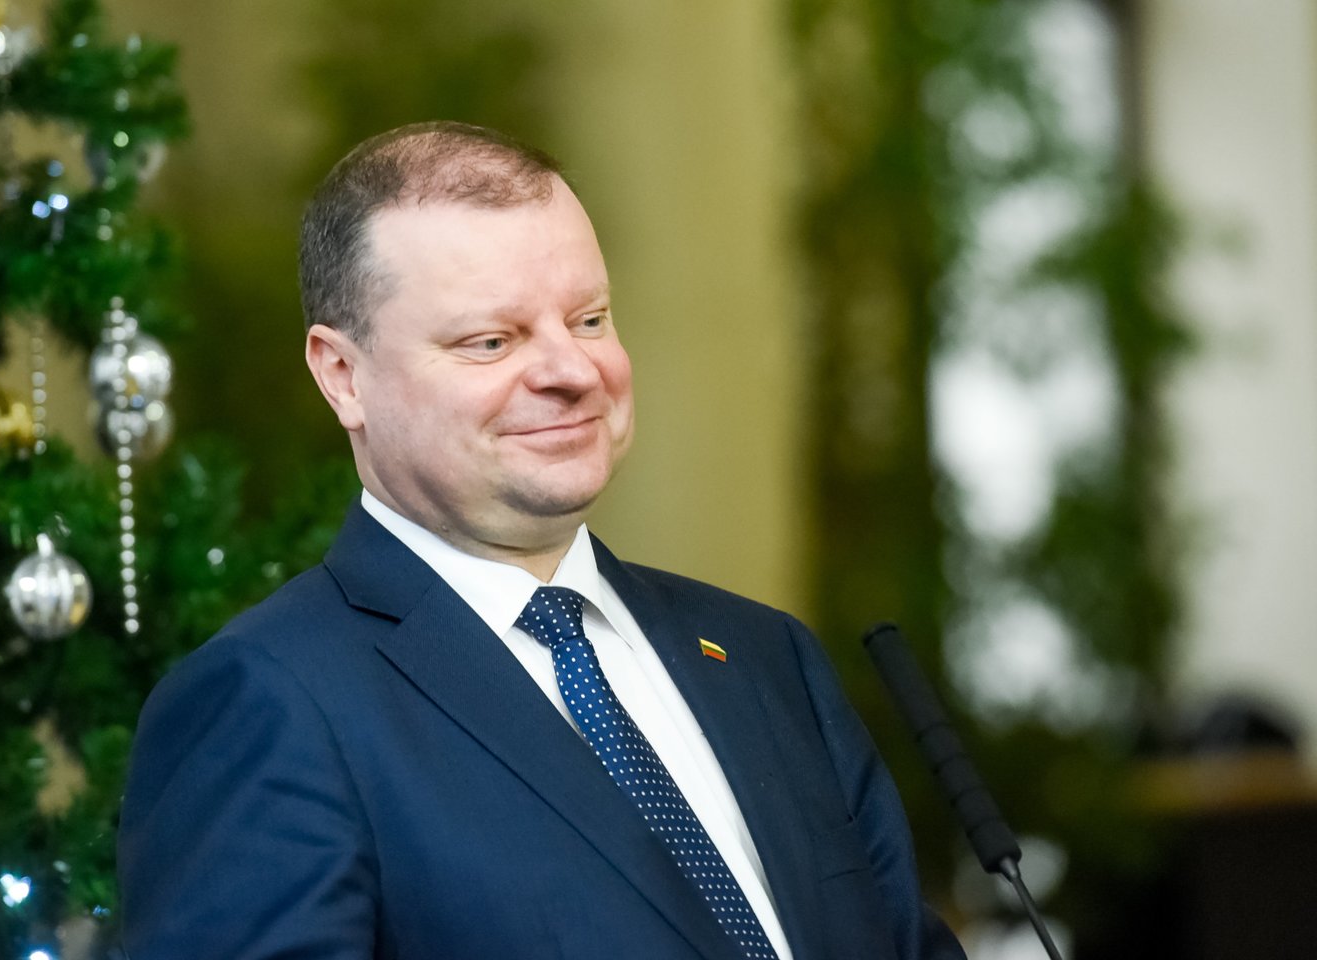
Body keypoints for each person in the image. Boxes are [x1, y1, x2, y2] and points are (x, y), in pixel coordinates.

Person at [117, 121, 965, 960]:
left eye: (589, 320)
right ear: (344, 376)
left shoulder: (765, 657)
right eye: (492, 340)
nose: (572, 371)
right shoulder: (270, 703)